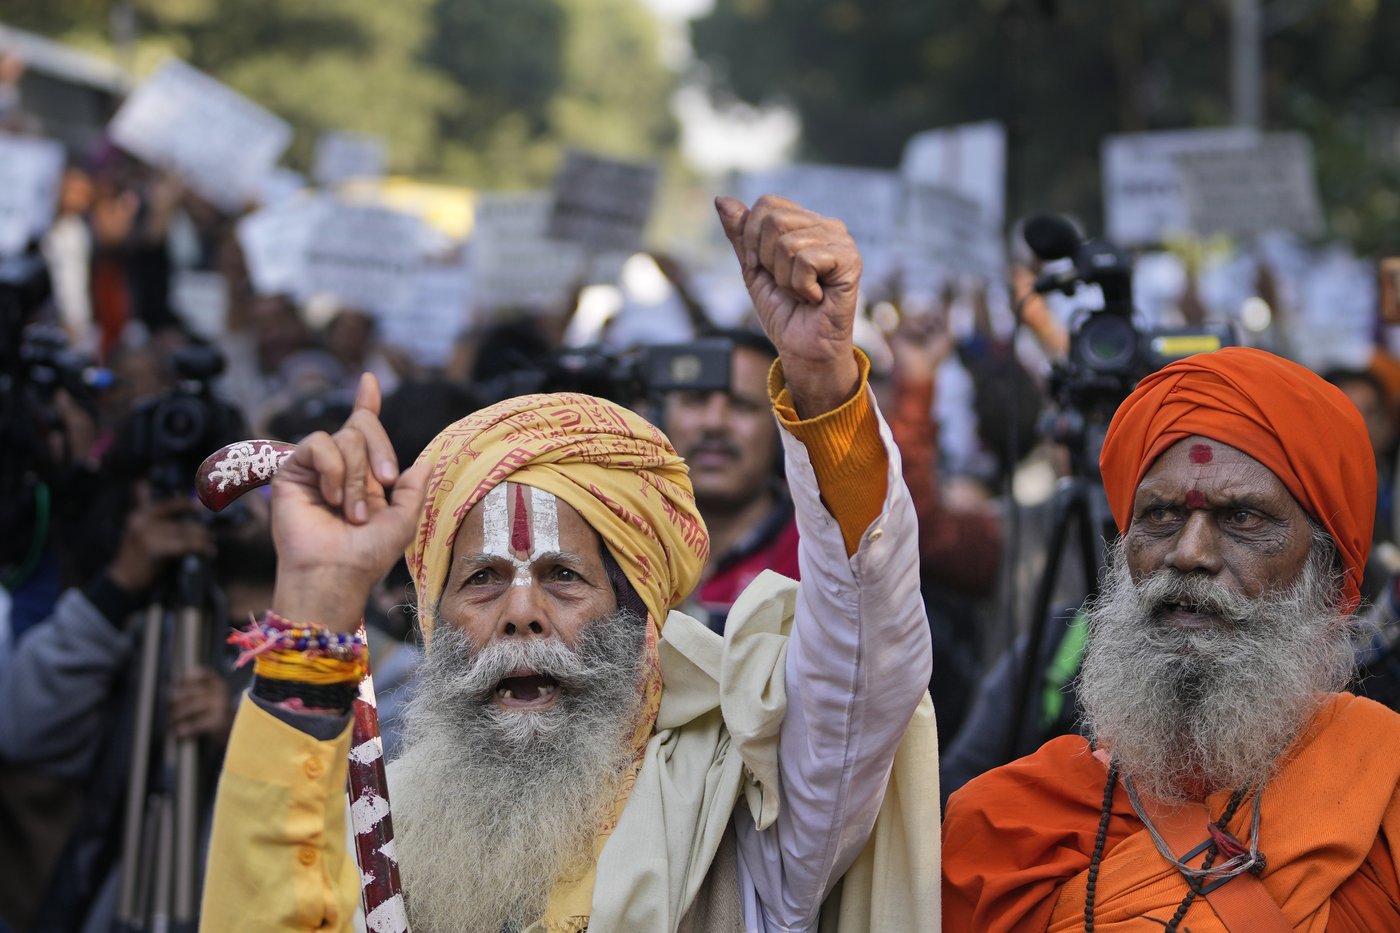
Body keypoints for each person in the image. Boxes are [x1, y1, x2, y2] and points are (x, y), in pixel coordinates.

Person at [200, 195, 939, 932]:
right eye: (482, 578)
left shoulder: (740, 814)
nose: (521, 611)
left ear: (637, 620)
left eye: (564, 576)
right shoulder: (379, 823)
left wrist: (824, 386)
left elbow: (867, 665)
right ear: (434, 620)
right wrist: (317, 594)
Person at [942, 347, 1400, 931]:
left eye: (1244, 518)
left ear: (1327, 573)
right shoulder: (1008, 824)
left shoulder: (1385, 801)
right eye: (1160, 515)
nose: (1189, 553)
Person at [664, 328, 799, 632]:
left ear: (783, 428)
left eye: (741, 405)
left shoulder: (819, 555)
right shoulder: (622, 544)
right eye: (695, 400)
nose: (714, 422)